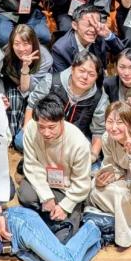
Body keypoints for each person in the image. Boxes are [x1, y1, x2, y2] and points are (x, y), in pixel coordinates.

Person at [86, 101, 131, 248]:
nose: (113, 127)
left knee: (119, 195)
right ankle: (122, 214)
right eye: (109, 122)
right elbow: (110, 165)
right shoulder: (107, 137)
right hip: (123, 177)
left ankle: (124, 223)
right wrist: (103, 180)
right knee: (93, 188)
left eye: (120, 122)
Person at [19, 94, 92, 240]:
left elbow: (82, 183)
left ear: (62, 120)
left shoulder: (79, 143)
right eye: (41, 127)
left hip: (68, 190)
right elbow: (32, 166)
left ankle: (66, 213)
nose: (46, 133)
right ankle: (47, 214)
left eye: (52, 127)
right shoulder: (31, 129)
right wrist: (46, 196)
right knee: (25, 194)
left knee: (63, 239)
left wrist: (65, 206)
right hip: (44, 183)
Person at [26, 51, 108, 159]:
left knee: (90, 163)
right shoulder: (51, 81)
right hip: (46, 132)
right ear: (72, 69)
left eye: (91, 74)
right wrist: (27, 133)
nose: (85, 77)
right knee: (21, 141)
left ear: (96, 77)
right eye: (81, 71)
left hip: (76, 139)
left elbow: (98, 131)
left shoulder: (100, 98)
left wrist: (92, 156)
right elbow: (32, 105)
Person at [0, 24, 54, 146]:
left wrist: (25, 67)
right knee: (12, 100)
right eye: (17, 44)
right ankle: (12, 137)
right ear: (11, 44)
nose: (21, 48)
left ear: (33, 43)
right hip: (15, 86)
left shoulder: (45, 58)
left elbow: (27, 88)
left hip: (37, 90)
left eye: (26, 44)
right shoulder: (6, 54)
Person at [50, 6, 125, 73]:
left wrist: (108, 35)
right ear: (75, 25)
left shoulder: (100, 34)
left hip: (99, 78)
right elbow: (62, 79)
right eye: (88, 25)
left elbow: (121, 52)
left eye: (95, 24)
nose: (92, 30)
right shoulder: (60, 49)